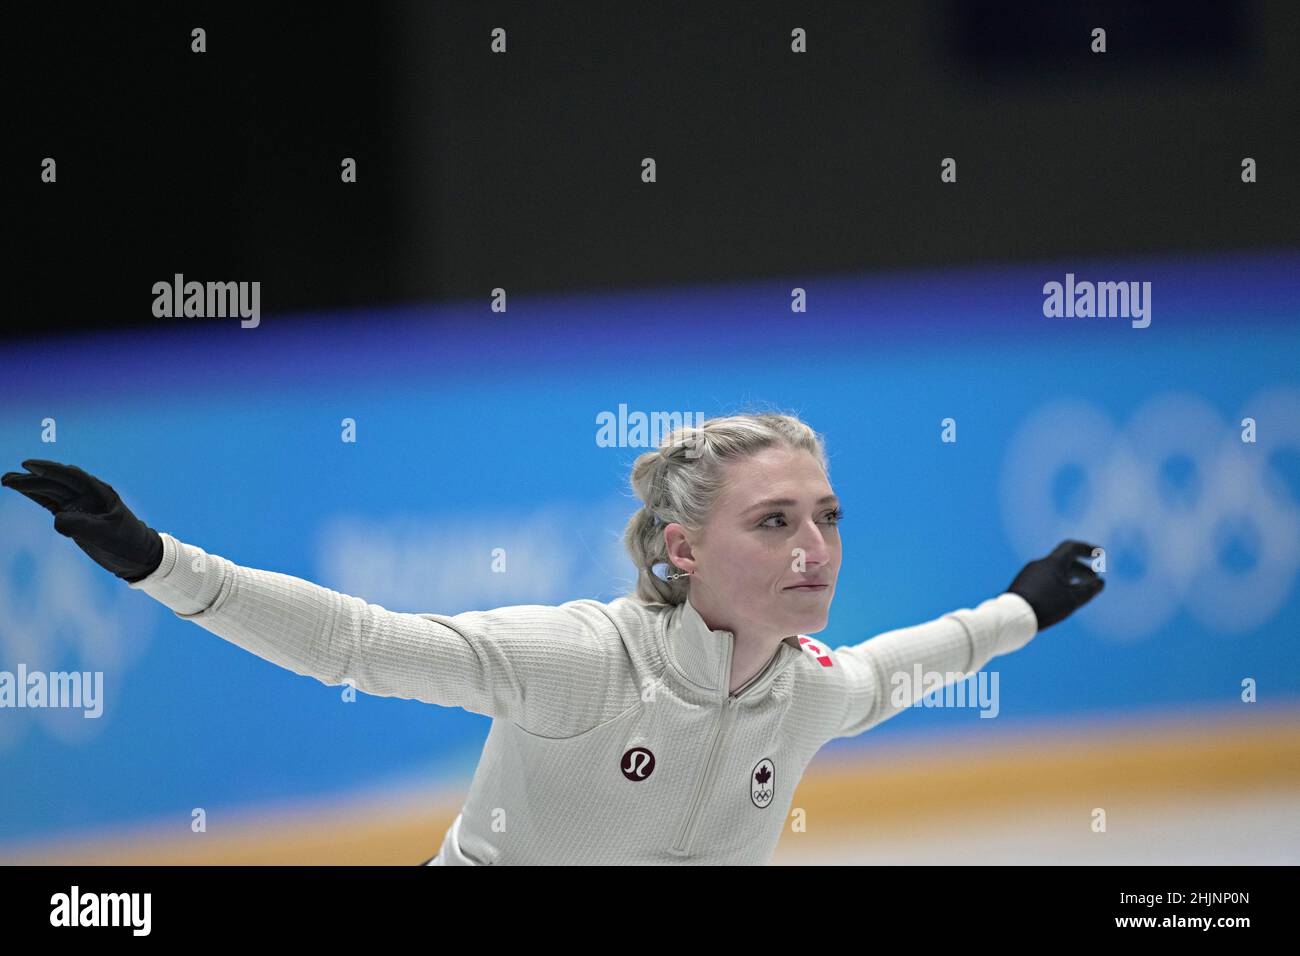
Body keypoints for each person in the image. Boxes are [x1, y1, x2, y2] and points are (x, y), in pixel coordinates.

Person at [2, 413, 1103, 865]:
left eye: (827, 515)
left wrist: (1025, 607)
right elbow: (357, 641)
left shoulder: (808, 690)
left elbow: (917, 658)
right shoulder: (584, 660)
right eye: (774, 520)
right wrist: (157, 560)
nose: (815, 544)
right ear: (679, 547)